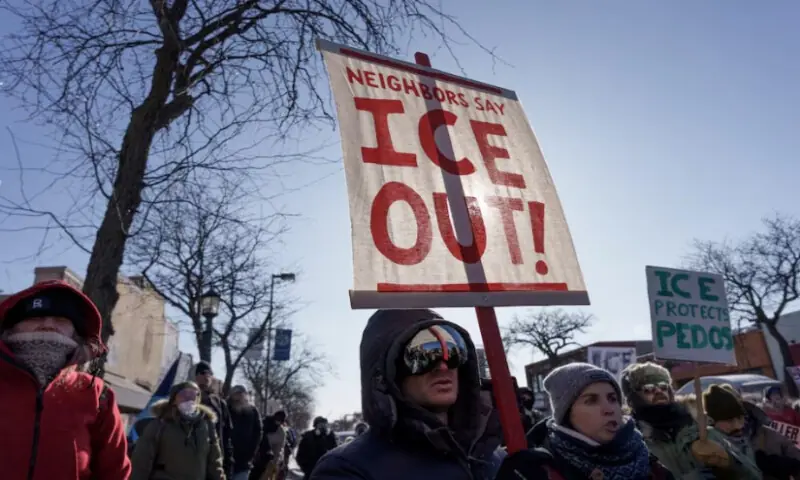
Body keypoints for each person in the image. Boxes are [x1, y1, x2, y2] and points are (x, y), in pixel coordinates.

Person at [310, 308, 503, 480]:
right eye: (424, 355)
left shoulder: (496, 459)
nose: (443, 366)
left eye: (453, 351)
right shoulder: (345, 469)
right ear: (385, 376)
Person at [0, 280, 131, 479]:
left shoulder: (97, 394)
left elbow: (114, 471)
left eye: (61, 320)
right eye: (37, 317)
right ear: (11, 328)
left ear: (76, 333)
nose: (49, 325)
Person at [497, 362, 674, 480]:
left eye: (612, 398)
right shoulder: (536, 471)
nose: (609, 409)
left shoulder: (650, 464)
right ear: (566, 414)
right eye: (591, 400)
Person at [620, 362, 761, 479]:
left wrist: (728, 462)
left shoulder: (702, 429)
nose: (658, 392)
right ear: (633, 398)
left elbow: (754, 475)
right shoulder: (631, 443)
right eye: (649, 389)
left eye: (663, 387)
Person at [130, 381, 226, 480]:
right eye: (184, 394)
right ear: (174, 400)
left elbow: (215, 463)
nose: (189, 398)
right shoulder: (160, 425)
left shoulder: (207, 426)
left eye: (194, 394)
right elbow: (141, 462)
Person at [702, 384, 800, 480]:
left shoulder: (766, 433)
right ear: (712, 421)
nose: (737, 425)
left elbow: (793, 454)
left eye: (740, 418)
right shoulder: (707, 447)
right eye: (729, 420)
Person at [195, 361, 236, 477]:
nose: (207, 376)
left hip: (215, 458)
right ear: (196, 376)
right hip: (192, 460)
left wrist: (229, 459)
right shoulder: (187, 398)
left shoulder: (219, 403)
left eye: (210, 373)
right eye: (203, 373)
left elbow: (227, 433)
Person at [229, 385, 263, 480]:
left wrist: (251, 452)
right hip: (227, 459)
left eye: (241, 394)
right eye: (236, 394)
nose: (238, 397)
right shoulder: (226, 408)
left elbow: (258, 432)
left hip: (244, 461)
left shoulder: (252, 411)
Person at [262, 410, 288, 480]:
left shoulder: (281, 433)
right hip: (253, 457)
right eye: (277, 418)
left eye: (280, 420)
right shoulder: (262, 423)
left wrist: (274, 464)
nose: (278, 421)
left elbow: (278, 450)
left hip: (267, 460)